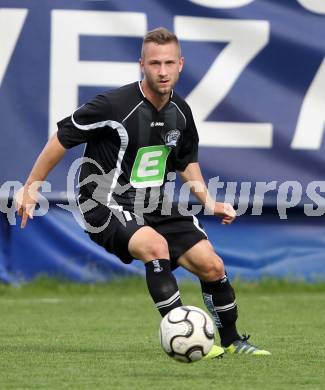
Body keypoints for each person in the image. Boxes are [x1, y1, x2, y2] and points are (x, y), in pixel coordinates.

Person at [16, 27, 270, 358]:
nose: (162, 71)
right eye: (154, 64)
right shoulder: (113, 105)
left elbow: (185, 161)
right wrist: (31, 186)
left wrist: (208, 200)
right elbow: (62, 138)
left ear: (180, 64)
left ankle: (234, 342)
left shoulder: (180, 112)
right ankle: (185, 338)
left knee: (212, 265)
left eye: (168, 63)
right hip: (103, 202)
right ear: (142, 65)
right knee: (155, 245)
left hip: (154, 203)